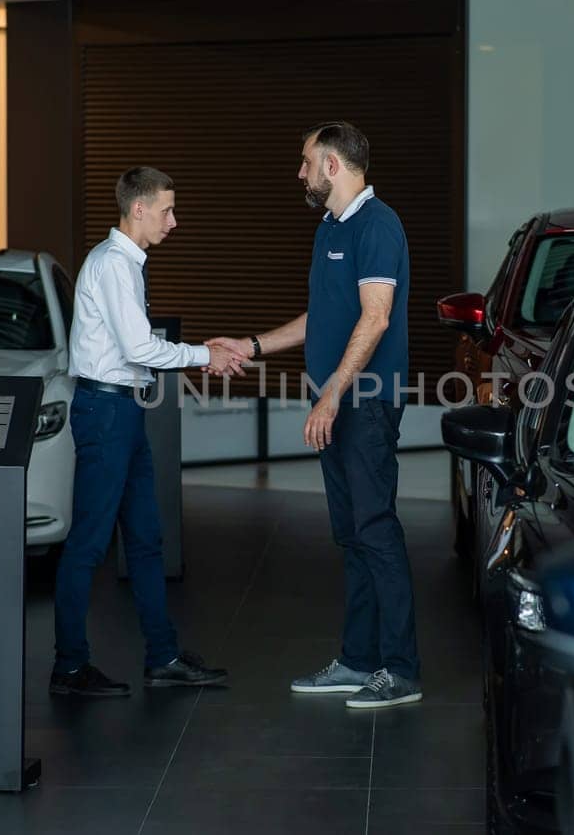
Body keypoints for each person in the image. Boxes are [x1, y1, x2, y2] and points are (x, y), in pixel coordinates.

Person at [210, 122, 421, 709]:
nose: (299, 172)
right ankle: (359, 660)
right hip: (336, 402)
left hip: (366, 403)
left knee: (377, 532)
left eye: (305, 162)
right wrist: (250, 346)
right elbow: (322, 317)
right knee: (352, 535)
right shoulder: (330, 227)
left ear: (332, 164)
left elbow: (375, 319)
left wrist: (332, 393)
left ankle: (401, 670)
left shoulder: (379, 226)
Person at [51, 166, 244, 697]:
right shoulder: (115, 265)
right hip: (107, 413)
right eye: (166, 211)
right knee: (89, 544)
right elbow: (139, 350)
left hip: (123, 413)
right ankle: (69, 667)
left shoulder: (124, 263)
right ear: (138, 209)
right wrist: (208, 354)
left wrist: (204, 354)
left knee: (145, 540)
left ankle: (162, 656)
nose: (173, 221)